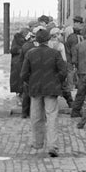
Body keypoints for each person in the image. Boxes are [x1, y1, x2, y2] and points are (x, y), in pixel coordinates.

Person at [20, 29, 67, 158]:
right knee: (52, 116)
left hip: (35, 89)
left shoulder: (30, 54)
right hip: (51, 89)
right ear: (48, 40)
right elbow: (63, 71)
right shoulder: (55, 53)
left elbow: (23, 74)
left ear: (37, 40)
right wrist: (56, 80)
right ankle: (52, 145)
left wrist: (31, 82)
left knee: (36, 116)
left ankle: (37, 142)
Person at [19, 25, 45, 118]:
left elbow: (20, 60)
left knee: (26, 94)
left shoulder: (25, 45)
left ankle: (24, 112)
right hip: (37, 72)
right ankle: (38, 113)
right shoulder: (39, 47)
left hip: (27, 71)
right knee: (38, 94)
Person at [48, 27, 73, 108]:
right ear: (57, 35)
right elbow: (64, 59)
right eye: (60, 34)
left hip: (50, 68)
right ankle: (70, 103)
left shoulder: (48, 44)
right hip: (59, 68)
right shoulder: (60, 45)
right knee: (63, 86)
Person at [10, 27, 30, 103]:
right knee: (19, 80)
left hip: (19, 62)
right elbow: (13, 50)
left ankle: (21, 96)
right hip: (18, 63)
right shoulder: (19, 41)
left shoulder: (18, 40)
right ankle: (20, 97)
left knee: (20, 80)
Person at [64, 16, 84, 91]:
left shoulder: (72, 37)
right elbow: (74, 51)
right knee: (71, 73)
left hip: (71, 58)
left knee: (71, 73)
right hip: (72, 59)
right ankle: (71, 88)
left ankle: (72, 87)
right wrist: (74, 61)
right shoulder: (74, 38)